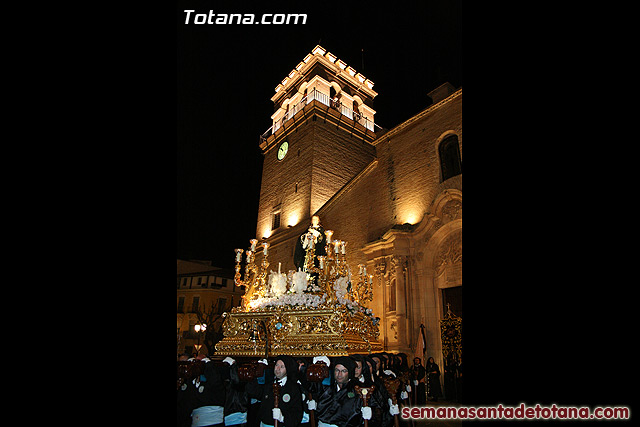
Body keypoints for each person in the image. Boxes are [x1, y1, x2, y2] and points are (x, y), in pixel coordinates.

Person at [245, 355, 303, 427]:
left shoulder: (293, 388)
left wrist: (282, 418)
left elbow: (297, 414)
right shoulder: (269, 385)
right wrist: (252, 376)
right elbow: (254, 392)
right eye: (276, 365)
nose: (278, 369)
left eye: (282, 367)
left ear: (287, 369)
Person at [313, 356, 364, 427]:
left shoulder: (358, 389)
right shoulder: (327, 386)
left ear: (350, 372)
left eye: (344, 371)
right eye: (337, 370)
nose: (339, 374)